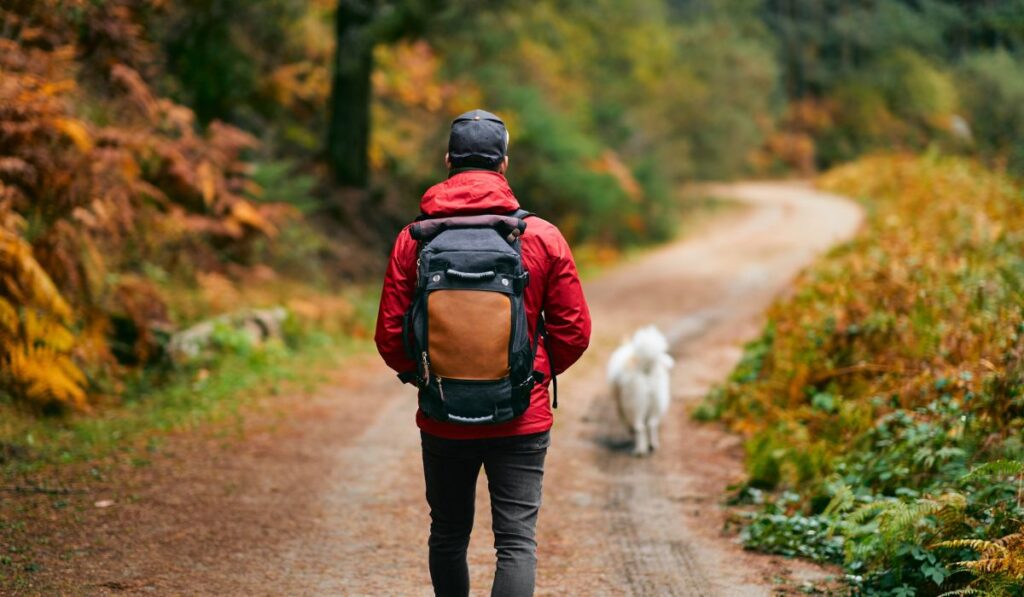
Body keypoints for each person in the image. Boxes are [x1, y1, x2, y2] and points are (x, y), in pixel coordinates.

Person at [374, 109, 591, 597]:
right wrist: (529, 372)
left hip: (442, 412)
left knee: (448, 534)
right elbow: (573, 331)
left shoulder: (413, 240)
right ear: (504, 164)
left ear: (449, 161)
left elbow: (390, 335)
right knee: (516, 542)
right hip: (521, 414)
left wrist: (429, 374)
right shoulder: (541, 236)